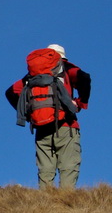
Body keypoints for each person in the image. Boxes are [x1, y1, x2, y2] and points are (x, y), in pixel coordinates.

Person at [6, 44, 91, 188]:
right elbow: (84, 78)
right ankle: (65, 200)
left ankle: (46, 201)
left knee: (45, 168)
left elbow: (11, 92)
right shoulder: (66, 68)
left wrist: (29, 114)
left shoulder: (32, 77)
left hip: (41, 126)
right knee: (68, 166)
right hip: (66, 125)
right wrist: (80, 103)